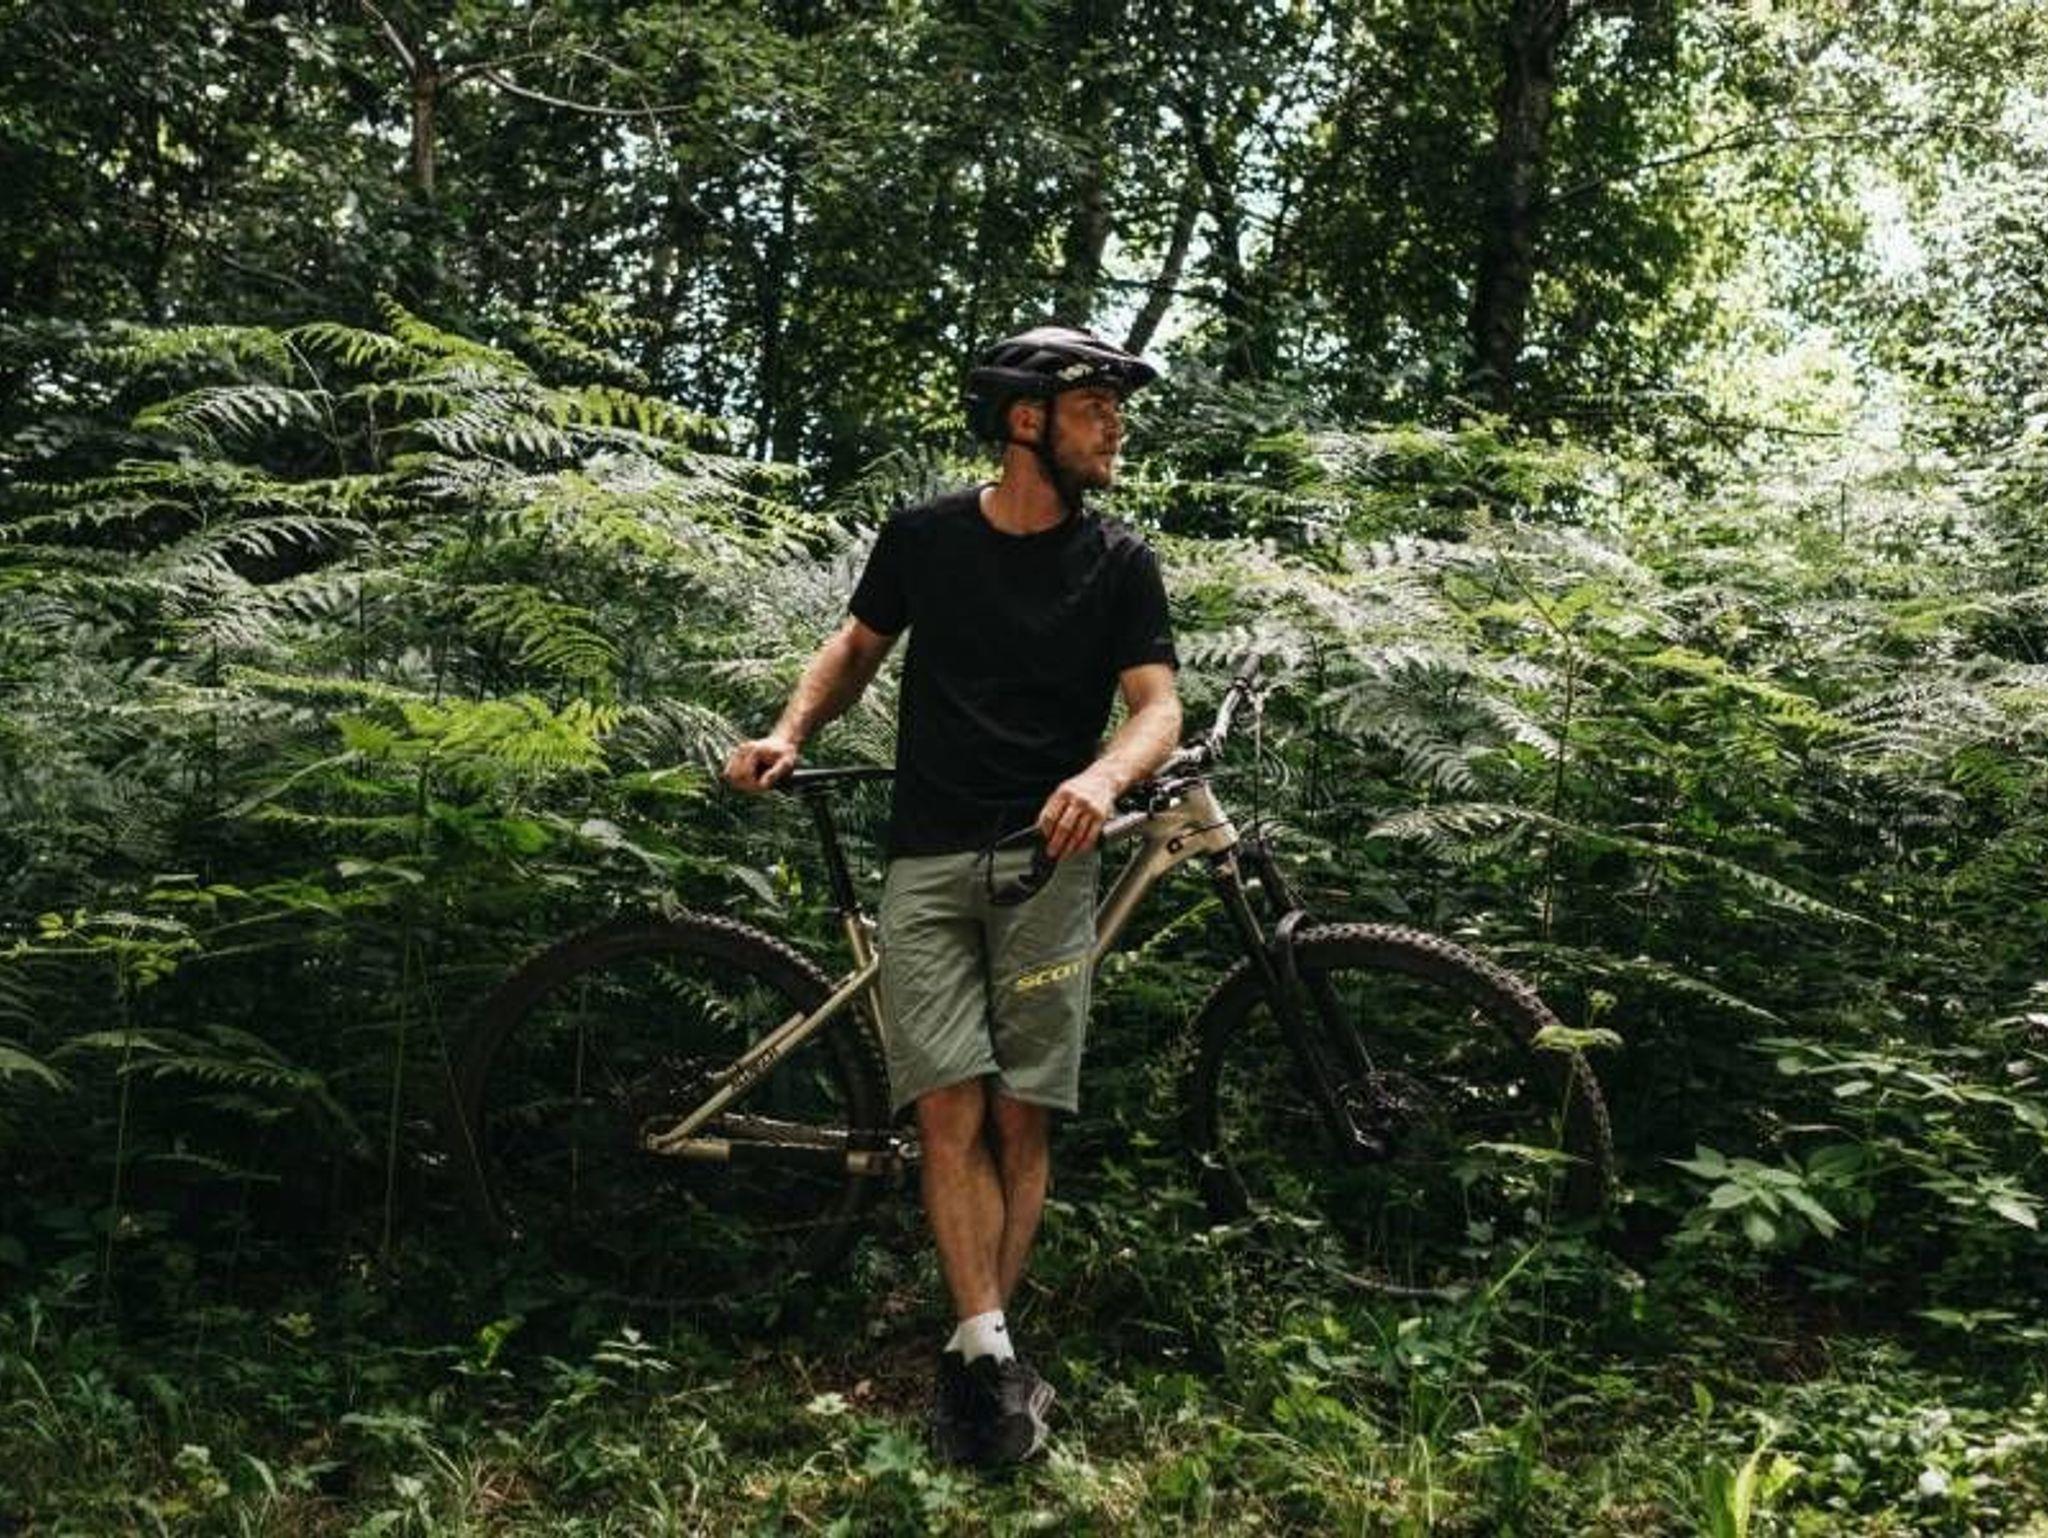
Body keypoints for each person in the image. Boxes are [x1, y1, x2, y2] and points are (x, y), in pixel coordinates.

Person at [722, 324, 1183, 1466]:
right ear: (1026, 419)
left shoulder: (1120, 560)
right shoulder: (925, 537)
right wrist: (787, 731)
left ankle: (980, 1351)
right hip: (927, 859)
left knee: (1022, 1111)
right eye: (1094, 408)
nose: (1115, 427)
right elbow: (856, 646)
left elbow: (1157, 708)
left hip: (1046, 869)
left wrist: (1101, 777)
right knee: (947, 1108)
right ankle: (989, 1359)